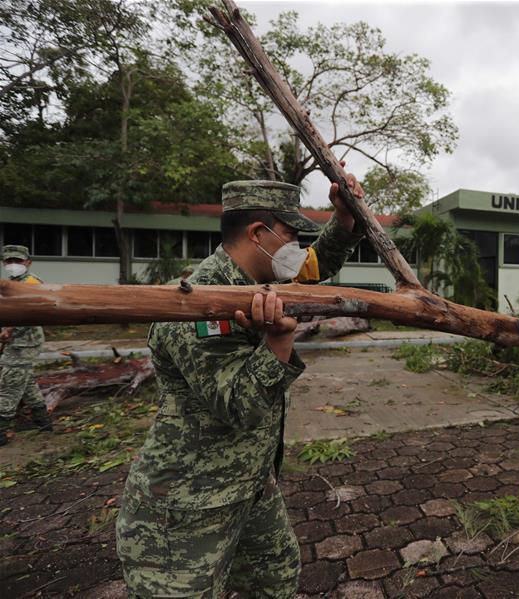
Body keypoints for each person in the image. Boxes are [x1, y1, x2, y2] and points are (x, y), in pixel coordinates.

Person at [116, 175, 366, 597]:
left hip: (250, 485)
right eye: (291, 236)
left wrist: (344, 219)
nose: (298, 250)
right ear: (258, 234)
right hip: (187, 504)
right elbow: (238, 406)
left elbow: (314, 266)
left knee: (277, 580)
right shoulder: (197, 304)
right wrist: (278, 341)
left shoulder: (262, 282)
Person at [0, 244, 52, 446]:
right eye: (9, 261)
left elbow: (30, 311)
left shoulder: (30, 282)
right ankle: (43, 421)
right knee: (26, 381)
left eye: (18, 261)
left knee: (8, 385)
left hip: (25, 343)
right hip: (15, 343)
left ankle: (1, 430)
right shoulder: (11, 283)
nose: (13, 265)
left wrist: (8, 330)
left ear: (28, 262)